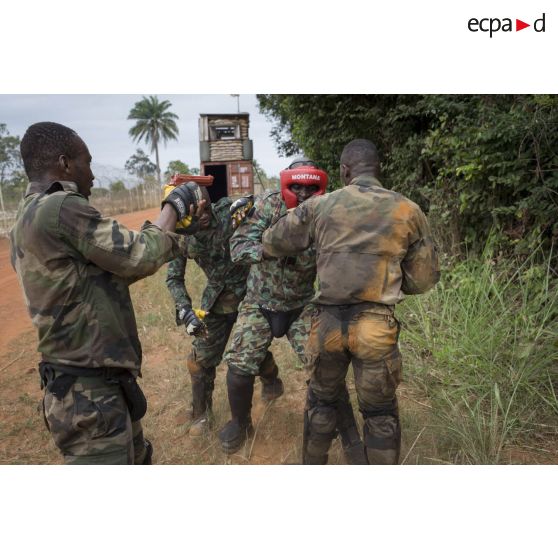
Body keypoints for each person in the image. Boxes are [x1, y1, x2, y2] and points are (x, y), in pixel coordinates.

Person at [9, 121, 204, 465]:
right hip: (90, 394)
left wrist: (179, 233)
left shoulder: (27, 215)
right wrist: (175, 204)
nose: (93, 176)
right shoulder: (60, 207)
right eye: (87, 163)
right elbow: (137, 255)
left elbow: (100, 275)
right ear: (65, 163)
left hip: (83, 389)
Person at [262, 139, 440, 464]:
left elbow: (273, 241)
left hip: (326, 326)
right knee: (380, 412)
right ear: (378, 168)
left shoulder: (320, 206)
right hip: (375, 328)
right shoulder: (408, 210)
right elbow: (423, 279)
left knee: (320, 403)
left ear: (345, 171)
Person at [219, 157, 366, 462]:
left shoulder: (329, 211)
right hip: (260, 301)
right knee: (239, 366)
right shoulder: (267, 205)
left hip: (301, 305)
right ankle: (241, 423)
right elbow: (238, 248)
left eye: (309, 187)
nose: (301, 192)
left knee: (326, 368)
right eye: (296, 185)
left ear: (320, 187)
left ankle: (349, 434)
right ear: (286, 183)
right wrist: (273, 246)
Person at [165, 178, 279, 437]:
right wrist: (184, 309)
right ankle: (201, 415)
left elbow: (262, 205)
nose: (203, 217)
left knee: (250, 354)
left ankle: (271, 379)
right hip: (215, 303)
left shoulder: (229, 211)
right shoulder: (181, 235)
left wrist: (252, 207)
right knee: (200, 361)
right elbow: (173, 277)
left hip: (248, 296)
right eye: (196, 212)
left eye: (206, 210)